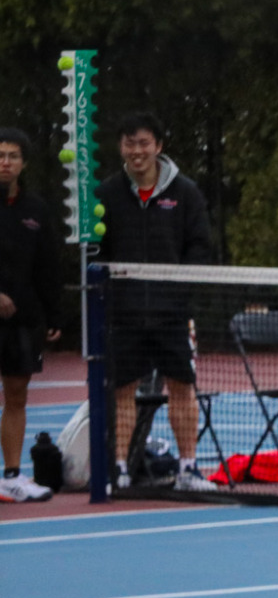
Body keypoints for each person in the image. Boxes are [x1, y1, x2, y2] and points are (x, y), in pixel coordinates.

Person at [96, 112, 215, 492]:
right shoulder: (106, 194)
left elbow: (200, 246)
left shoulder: (186, 193)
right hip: (125, 314)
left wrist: (178, 288)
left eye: (144, 143)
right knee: (122, 390)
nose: (136, 151)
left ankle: (188, 469)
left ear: (158, 146)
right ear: (121, 148)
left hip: (172, 314)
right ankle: (119, 470)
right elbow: (95, 251)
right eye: (129, 144)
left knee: (181, 387)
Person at [0, 127, 64, 502]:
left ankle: (10, 475)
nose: (4, 162)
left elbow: (48, 267)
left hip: (24, 322)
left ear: (23, 163)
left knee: (17, 395)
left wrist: (54, 313)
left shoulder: (36, 210)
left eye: (12, 156)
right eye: (0, 155)